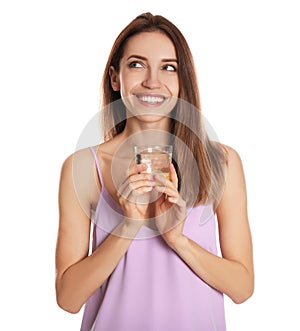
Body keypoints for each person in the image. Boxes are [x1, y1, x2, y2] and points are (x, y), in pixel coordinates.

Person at [55, 12, 254, 331]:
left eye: (168, 67)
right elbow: (68, 298)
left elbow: (242, 287)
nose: (152, 81)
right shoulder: (84, 167)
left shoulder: (221, 162)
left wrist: (177, 239)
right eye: (136, 64)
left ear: (182, 79)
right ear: (115, 77)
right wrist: (129, 225)